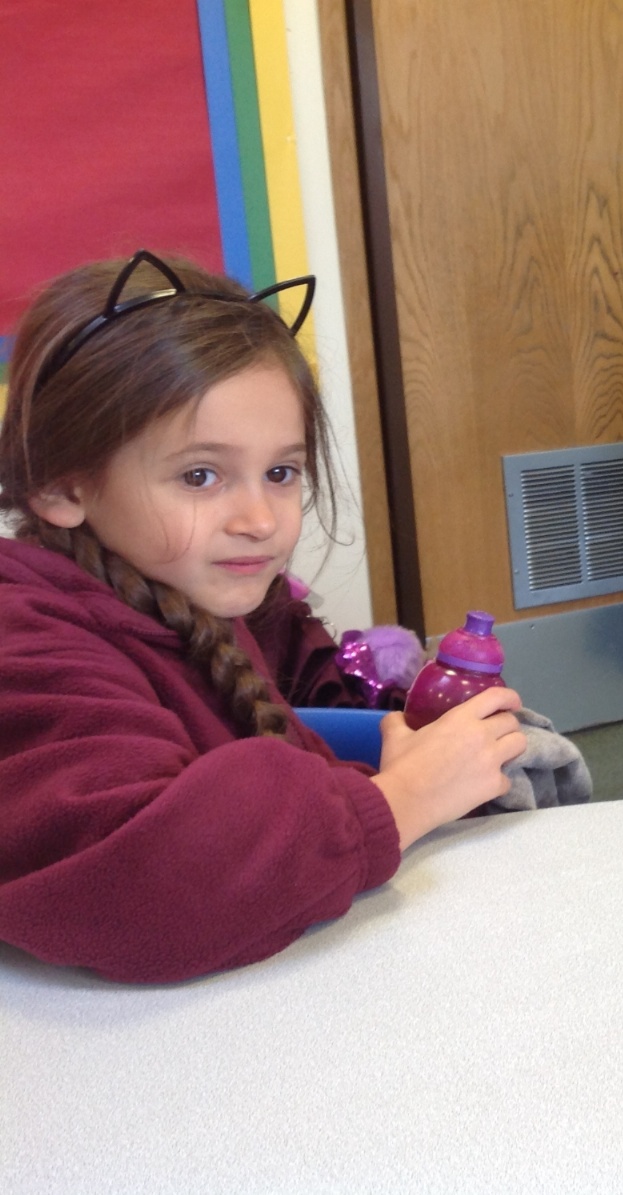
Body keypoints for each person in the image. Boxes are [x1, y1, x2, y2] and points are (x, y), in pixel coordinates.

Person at [0, 251, 529, 983]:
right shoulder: (23, 639)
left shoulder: (184, 586)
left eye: (281, 472)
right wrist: (404, 799)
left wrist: (409, 753)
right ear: (61, 488)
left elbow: (284, 715)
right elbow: (146, 888)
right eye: (200, 475)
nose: (259, 520)